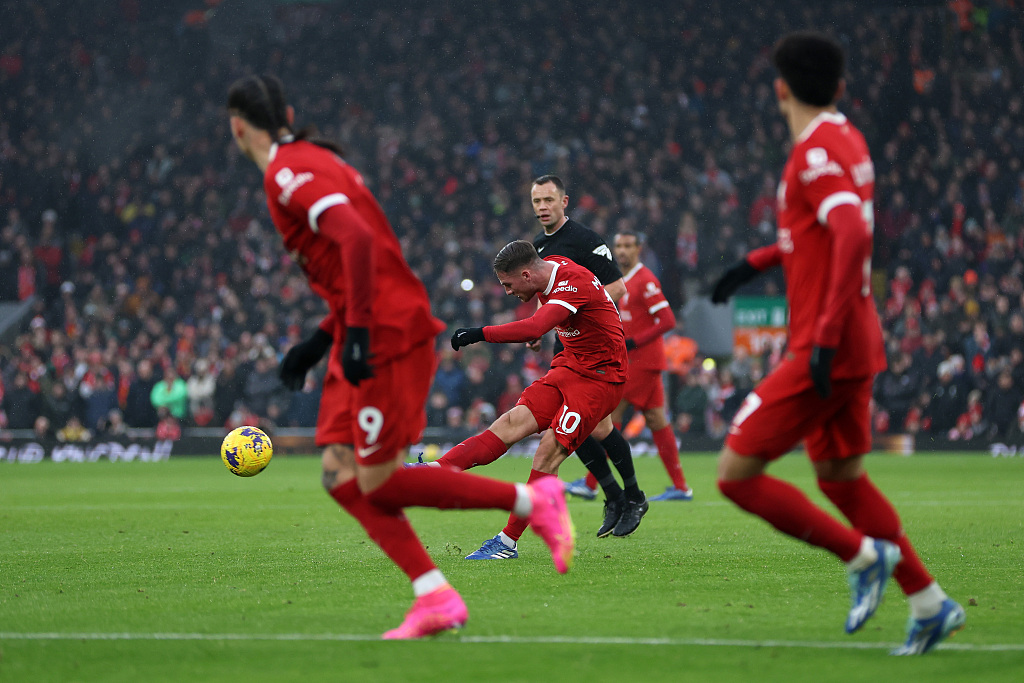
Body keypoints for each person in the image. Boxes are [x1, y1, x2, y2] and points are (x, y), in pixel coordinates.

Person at [227, 74, 574, 640]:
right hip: (362, 322)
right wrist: (324, 337)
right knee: (342, 477)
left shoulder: (287, 173)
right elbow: (360, 260)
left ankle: (533, 503)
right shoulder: (310, 159)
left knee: (377, 481)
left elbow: (359, 245)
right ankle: (434, 596)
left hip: (384, 327)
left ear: (238, 126)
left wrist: (357, 332)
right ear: (285, 112)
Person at [710, 32, 964, 656]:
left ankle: (859, 557)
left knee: (735, 474)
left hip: (827, 344)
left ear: (780, 88)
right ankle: (931, 604)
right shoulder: (846, 138)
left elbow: (850, 232)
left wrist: (821, 337)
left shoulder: (816, 149)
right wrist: (758, 261)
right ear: (840, 87)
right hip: (857, 343)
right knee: (841, 478)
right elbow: (823, 234)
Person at [432, 239, 636, 559]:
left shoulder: (574, 283)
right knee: (511, 423)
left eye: (508, 284)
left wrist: (478, 333)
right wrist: (537, 334)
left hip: (600, 380)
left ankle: (507, 542)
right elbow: (540, 320)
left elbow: (535, 325)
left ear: (526, 275)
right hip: (569, 368)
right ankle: (437, 470)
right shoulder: (548, 266)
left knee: (546, 454)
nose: (508, 291)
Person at [528, 175, 648, 536]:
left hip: (596, 346)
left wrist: (577, 310)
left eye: (549, 199)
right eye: (537, 202)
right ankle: (617, 497)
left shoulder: (586, 241)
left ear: (564, 202)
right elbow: (544, 292)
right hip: (565, 346)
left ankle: (630, 495)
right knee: (573, 425)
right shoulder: (537, 247)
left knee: (597, 427)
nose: (543, 207)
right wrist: (539, 328)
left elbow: (618, 287)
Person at [605, 230, 692, 501]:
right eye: (618, 245)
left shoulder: (645, 279)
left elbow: (667, 320)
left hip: (641, 362)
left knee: (608, 416)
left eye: (628, 245)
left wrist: (633, 341)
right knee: (657, 421)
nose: (622, 251)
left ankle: (591, 482)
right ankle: (680, 487)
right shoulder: (620, 280)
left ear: (638, 249)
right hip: (643, 363)